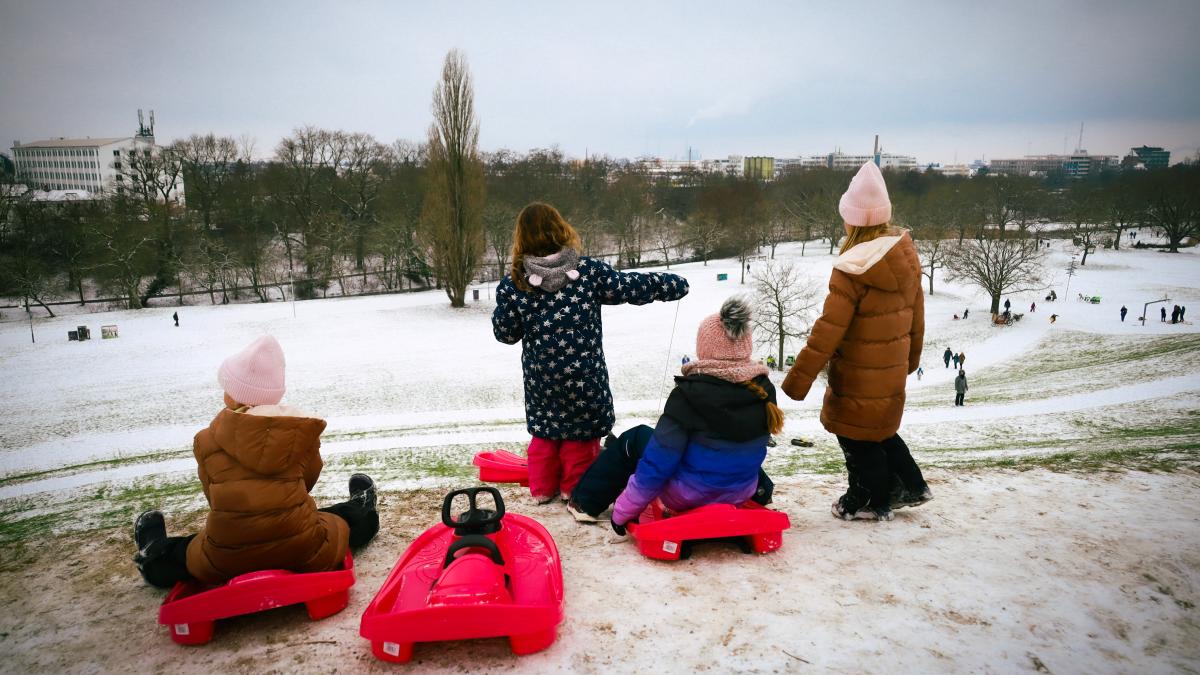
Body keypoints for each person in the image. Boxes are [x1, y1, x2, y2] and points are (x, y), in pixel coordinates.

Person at [133, 336, 379, 589]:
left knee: (186, 552)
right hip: (302, 551)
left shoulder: (205, 440)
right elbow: (307, 482)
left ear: (236, 397)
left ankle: (153, 553)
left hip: (228, 559)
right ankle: (363, 508)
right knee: (338, 522)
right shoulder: (300, 433)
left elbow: (215, 499)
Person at [492, 203, 688, 506]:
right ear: (561, 230)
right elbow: (628, 286)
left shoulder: (515, 284)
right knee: (581, 438)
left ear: (521, 239)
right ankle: (574, 489)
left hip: (542, 380)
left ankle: (542, 489)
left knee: (545, 435)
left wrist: (510, 299)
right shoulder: (588, 273)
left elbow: (505, 334)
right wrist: (671, 285)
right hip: (585, 377)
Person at [781, 160, 930, 522]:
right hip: (890, 373)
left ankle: (867, 498)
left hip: (858, 377)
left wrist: (798, 380)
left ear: (853, 221)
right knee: (880, 431)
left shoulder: (852, 269)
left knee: (856, 438)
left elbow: (828, 329)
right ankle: (911, 485)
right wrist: (909, 361)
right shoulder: (905, 256)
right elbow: (917, 318)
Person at [570, 298, 780, 530]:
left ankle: (585, 502)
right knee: (731, 446)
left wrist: (622, 513)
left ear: (705, 348)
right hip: (740, 492)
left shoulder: (689, 395)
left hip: (687, 496)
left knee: (636, 438)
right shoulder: (763, 390)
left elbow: (657, 464)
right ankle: (764, 491)